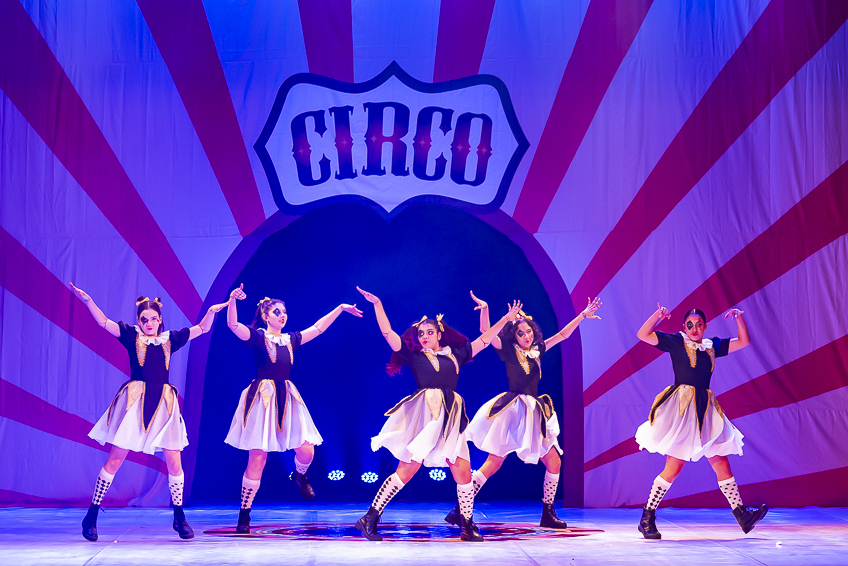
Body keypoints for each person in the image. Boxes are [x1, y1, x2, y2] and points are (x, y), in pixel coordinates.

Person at [353, 286, 521, 542]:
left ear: (440, 333)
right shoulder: (414, 356)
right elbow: (388, 333)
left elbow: (485, 339)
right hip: (426, 416)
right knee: (408, 468)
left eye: (429, 332)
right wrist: (378, 304)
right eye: (421, 333)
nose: (424, 336)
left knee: (463, 470)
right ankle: (370, 518)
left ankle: (467, 525)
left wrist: (505, 319)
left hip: (451, 417)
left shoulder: (457, 355)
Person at [70, 283, 226, 541]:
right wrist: (88, 302)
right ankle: (91, 515)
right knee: (116, 459)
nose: (149, 323)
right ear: (138, 321)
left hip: (164, 403)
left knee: (174, 461)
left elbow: (202, 328)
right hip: (136, 401)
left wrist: (210, 311)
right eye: (144, 319)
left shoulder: (170, 339)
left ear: (160, 319)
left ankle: (179, 516)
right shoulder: (132, 336)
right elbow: (104, 323)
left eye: (153, 318)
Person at [450, 294, 601, 529]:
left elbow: (562, 335)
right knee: (494, 462)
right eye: (520, 333)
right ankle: (460, 508)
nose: (526, 336)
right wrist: (486, 309)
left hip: (535, 413)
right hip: (512, 411)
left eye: (529, 331)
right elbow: (486, 333)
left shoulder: (538, 349)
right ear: (514, 336)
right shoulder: (508, 349)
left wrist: (582, 315)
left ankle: (547, 513)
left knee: (554, 461)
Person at [224, 284, 362, 533]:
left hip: (287, 397)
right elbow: (233, 325)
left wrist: (340, 308)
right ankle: (244, 514)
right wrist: (232, 300)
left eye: (284, 312)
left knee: (307, 449)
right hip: (263, 397)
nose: (282, 315)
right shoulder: (258, 337)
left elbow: (318, 328)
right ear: (265, 316)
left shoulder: (291, 339)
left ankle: (299, 475)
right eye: (277, 312)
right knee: (258, 457)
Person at [634, 304, 767, 539]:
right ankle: (647, 517)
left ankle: (741, 514)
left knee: (721, 461)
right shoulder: (678, 342)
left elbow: (743, 341)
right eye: (690, 325)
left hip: (706, 410)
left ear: (705, 326)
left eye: (698, 325)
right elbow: (642, 334)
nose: (694, 329)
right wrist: (657, 316)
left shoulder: (711, 346)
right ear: (684, 327)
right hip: (683, 410)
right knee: (674, 466)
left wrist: (738, 318)